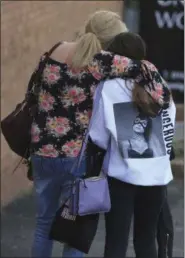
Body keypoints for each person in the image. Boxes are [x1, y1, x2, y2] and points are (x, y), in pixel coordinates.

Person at [89, 32, 176, 258]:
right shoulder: (160, 86)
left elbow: (97, 136)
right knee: (146, 241)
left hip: (121, 178)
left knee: (116, 243)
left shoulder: (108, 88)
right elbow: (168, 128)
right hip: (157, 177)